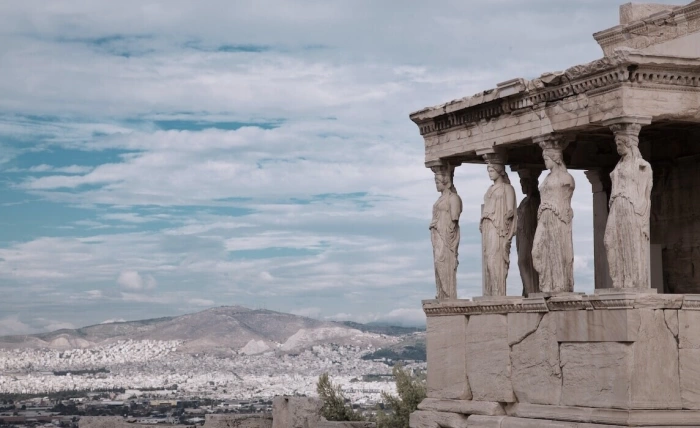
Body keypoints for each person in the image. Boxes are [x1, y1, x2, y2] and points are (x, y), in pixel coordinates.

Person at [605, 127, 653, 289]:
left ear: (629, 143)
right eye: (617, 143)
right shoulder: (618, 165)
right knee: (609, 241)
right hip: (616, 206)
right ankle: (618, 278)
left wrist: (641, 212)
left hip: (631, 206)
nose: (618, 147)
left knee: (630, 242)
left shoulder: (642, 166)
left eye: (620, 143)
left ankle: (632, 281)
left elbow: (646, 193)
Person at [532, 146, 575, 293]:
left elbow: (566, 201)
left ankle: (558, 285)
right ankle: (546, 283)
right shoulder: (547, 178)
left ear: (555, 158)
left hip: (557, 217)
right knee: (537, 250)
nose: (545, 162)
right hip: (543, 217)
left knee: (556, 250)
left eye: (546, 159)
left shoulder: (566, 178)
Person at [480, 163, 516, 296]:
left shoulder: (507, 188)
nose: (490, 174)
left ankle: (498, 291)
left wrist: (505, 220)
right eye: (488, 171)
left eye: (491, 171)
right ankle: (491, 291)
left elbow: (510, 210)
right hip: (487, 226)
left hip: (499, 227)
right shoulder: (489, 189)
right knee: (488, 258)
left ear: (499, 171)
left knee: (495, 257)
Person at [429, 164, 462, 299]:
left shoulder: (453, 198)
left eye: (437, 182)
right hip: (437, 235)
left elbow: (454, 218)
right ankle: (442, 293)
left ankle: (449, 293)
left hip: (446, 236)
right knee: (437, 263)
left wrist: (442, 225)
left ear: (445, 181)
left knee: (442, 261)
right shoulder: (440, 199)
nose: (436, 185)